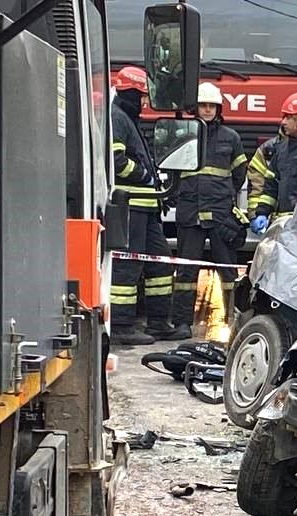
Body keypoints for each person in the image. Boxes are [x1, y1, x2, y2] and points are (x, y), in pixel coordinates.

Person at [109, 66, 184, 345]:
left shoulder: (128, 119)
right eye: (140, 96)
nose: (143, 102)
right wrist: (144, 175)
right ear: (129, 92)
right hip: (130, 206)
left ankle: (158, 323)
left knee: (161, 263)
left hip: (146, 206)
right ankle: (120, 325)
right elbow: (115, 160)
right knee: (129, 266)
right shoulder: (117, 118)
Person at [172, 82, 248, 334]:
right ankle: (182, 322)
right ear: (196, 108)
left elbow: (239, 175)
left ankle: (232, 321)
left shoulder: (231, 138)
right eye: (203, 105)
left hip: (220, 214)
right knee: (185, 272)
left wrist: (223, 197)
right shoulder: (183, 134)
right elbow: (171, 169)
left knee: (228, 272)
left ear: (218, 108)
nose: (207, 110)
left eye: (211, 106)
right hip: (190, 211)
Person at [248, 92, 297, 234]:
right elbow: (270, 186)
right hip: (282, 227)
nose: (283, 122)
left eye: (288, 117)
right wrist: (262, 213)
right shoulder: (282, 148)